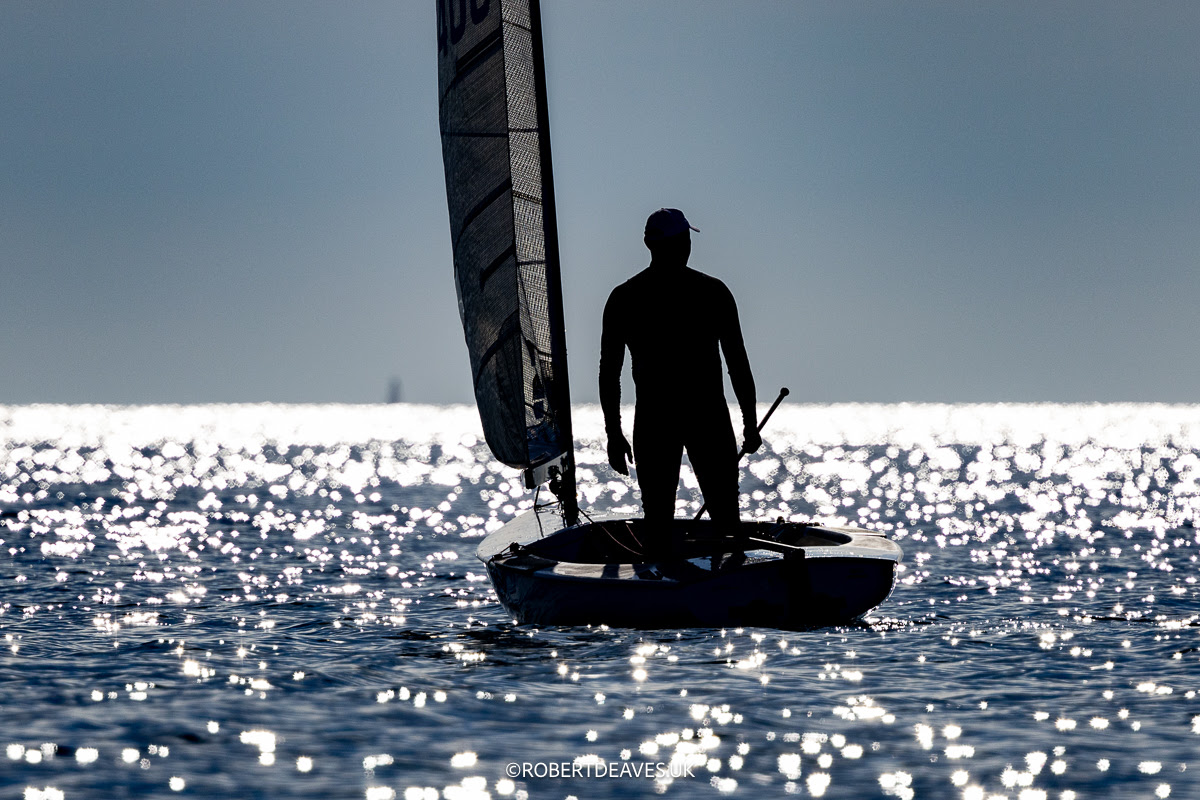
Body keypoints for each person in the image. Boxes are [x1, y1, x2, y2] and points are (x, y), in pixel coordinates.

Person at [599, 208, 760, 532]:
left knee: (658, 524)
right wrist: (749, 424)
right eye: (686, 239)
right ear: (683, 242)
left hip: (656, 422)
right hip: (707, 420)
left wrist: (614, 435)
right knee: (726, 520)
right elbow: (737, 365)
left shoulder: (624, 298)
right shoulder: (713, 293)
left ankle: (663, 573)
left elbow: (609, 374)